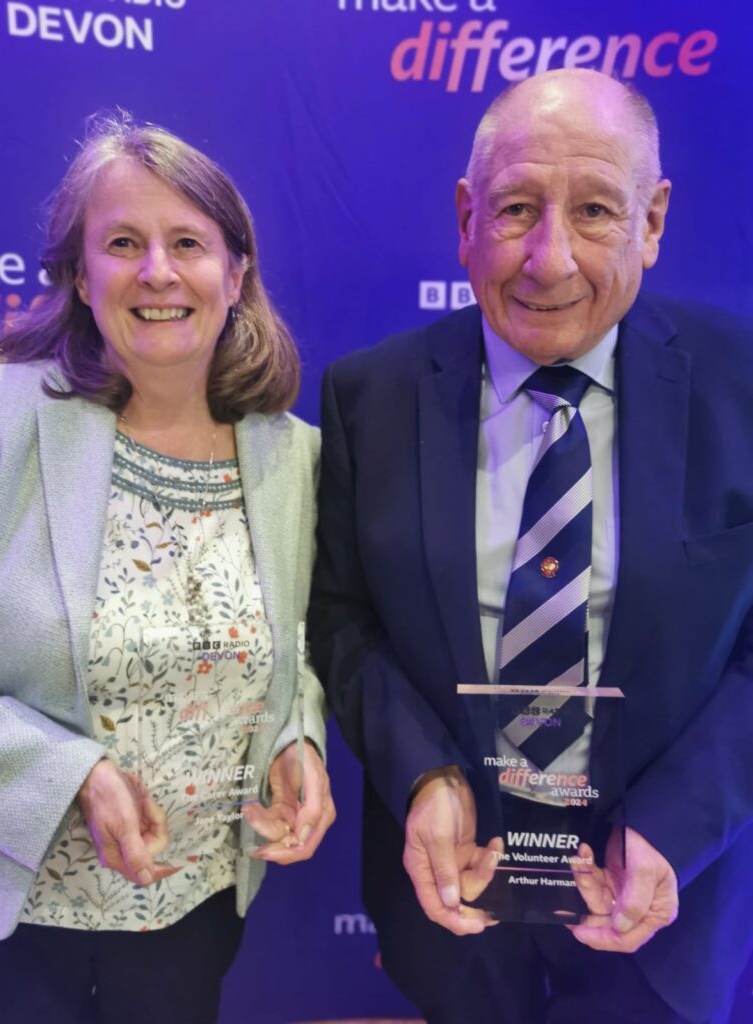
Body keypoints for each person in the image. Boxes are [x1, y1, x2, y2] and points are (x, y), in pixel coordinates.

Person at [309, 68, 753, 1024]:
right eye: (516, 209)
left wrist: (674, 829)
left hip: (665, 909)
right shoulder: (368, 399)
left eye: (595, 210)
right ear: (466, 215)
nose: (549, 259)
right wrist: (424, 774)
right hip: (455, 901)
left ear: (654, 220)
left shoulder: (745, 389)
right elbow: (344, 625)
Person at [0, 114, 335, 1024]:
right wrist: (67, 770)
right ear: (78, 273)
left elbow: (295, 647)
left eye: (189, 243)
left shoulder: (291, 457)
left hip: (195, 899)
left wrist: (298, 738)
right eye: (123, 243)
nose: (158, 272)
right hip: (5, 896)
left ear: (237, 274)